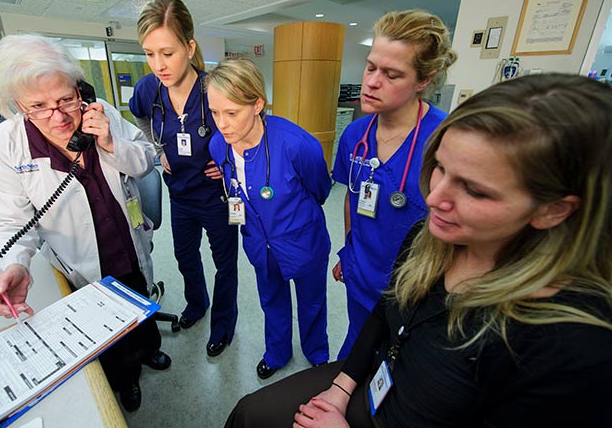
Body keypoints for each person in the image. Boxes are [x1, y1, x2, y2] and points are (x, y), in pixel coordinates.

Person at [224, 73, 612, 427]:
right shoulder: (427, 239)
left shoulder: (572, 349)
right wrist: (341, 389)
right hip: (375, 381)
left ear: (553, 209)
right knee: (249, 415)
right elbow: (385, 313)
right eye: (440, 169)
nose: (435, 198)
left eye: (474, 190)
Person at [0, 34, 170, 413]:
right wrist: (16, 262)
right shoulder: (5, 145)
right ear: (18, 105)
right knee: (107, 331)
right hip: (82, 261)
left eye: (66, 99)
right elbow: (7, 221)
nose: (60, 116)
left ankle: (150, 348)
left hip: (128, 240)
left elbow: (145, 161)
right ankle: (126, 379)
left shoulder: (101, 114)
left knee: (141, 297)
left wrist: (113, 144)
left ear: (78, 89)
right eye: (39, 106)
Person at [332, 10, 457, 358]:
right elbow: (352, 197)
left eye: (392, 74)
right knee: (357, 350)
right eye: (371, 67)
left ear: (423, 80)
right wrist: (349, 251)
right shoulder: (356, 134)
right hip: (360, 275)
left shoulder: (446, 139)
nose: (372, 82)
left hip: (415, 289)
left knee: (397, 362)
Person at [207, 59, 331, 379]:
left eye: (232, 113)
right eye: (215, 112)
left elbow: (320, 190)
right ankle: (277, 352)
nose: (222, 123)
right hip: (259, 243)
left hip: (303, 241)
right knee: (272, 300)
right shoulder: (218, 144)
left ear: (257, 103)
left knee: (312, 302)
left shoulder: (298, 145)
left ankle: (317, 353)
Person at [130, 0, 239, 357]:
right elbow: (141, 119)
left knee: (225, 263)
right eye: (149, 53)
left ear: (189, 48)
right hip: (179, 193)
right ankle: (198, 304)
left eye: (168, 52)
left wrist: (228, 163)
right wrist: (159, 149)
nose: (158, 64)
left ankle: (223, 323)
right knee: (185, 256)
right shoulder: (149, 89)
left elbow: (245, 130)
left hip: (216, 195)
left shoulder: (215, 88)